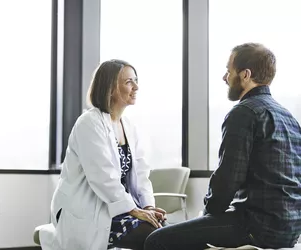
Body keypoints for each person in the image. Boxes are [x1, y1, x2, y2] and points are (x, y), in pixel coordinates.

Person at [144, 43, 301, 250]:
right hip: (289, 228)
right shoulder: (288, 117)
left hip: (257, 226)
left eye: (229, 71)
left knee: (157, 240)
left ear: (245, 75)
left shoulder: (244, 112)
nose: (225, 78)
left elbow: (228, 179)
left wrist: (208, 213)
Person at [40, 59, 166, 250]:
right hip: (88, 210)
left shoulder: (130, 127)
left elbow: (141, 175)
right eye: (129, 82)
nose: (136, 87)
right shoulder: (89, 123)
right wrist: (133, 210)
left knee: (167, 232)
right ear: (110, 88)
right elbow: (102, 176)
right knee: (157, 239)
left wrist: (148, 207)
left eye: (136, 80)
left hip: (118, 208)